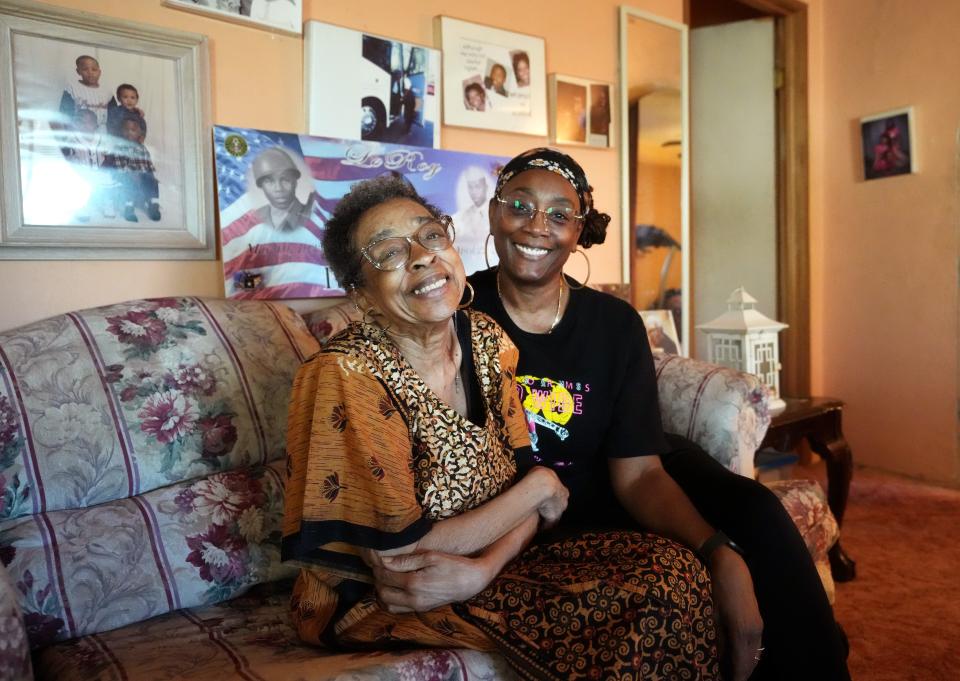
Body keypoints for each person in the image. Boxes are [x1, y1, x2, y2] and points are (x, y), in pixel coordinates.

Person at [373, 148, 852, 681]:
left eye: (559, 215)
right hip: (542, 506)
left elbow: (640, 470)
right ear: (492, 213)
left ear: (578, 232)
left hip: (632, 471)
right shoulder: (454, 313)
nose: (537, 227)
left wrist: (718, 554)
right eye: (520, 205)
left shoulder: (614, 323)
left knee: (760, 515)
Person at [281, 174, 720, 680]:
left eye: (430, 235)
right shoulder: (346, 374)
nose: (422, 256)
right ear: (360, 293)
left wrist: (484, 568)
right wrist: (538, 487)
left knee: (674, 568)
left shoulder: (487, 339)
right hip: (382, 596)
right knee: (645, 604)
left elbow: (528, 491)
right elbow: (401, 556)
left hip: (487, 569)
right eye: (388, 253)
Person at [221, 146, 324, 298]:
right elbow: (241, 283)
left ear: (295, 182)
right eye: (269, 182)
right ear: (261, 186)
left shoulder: (317, 219)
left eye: (285, 180)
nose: (278, 189)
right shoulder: (255, 220)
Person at [106, 118, 160, 222]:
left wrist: (150, 176)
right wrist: (131, 174)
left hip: (141, 174)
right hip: (125, 174)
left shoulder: (142, 148)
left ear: (140, 133)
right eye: (126, 129)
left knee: (152, 182)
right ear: (121, 131)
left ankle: (153, 205)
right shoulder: (119, 147)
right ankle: (129, 208)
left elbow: (148, 164)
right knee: (130, 183)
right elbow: (119, 165)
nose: (129, 132)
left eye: (133, 130)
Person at [59, 55, 114, 131]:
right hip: (80, 129)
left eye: (94, 69)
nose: (90, 73)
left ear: (99, 72)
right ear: (78, 71)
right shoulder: (72, 88)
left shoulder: (107, 92)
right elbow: (65, 112)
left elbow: (114, 115)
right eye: (85, 69)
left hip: (102, 130)